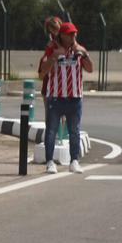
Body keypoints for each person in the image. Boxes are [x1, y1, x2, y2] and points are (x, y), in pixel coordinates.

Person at [39, 22, 92, 174]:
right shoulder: (52, 49)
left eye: (74, 34)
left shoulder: (79, 51)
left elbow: (90, 69)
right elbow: (42, 73)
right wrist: (54, 56)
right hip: (56, 98)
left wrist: (85, 54)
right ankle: (50, 162)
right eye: (70, 34)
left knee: (74, 131)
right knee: (51, 131)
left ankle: (74, 161)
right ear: (62, 35)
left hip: (75, 98)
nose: (73, 36)